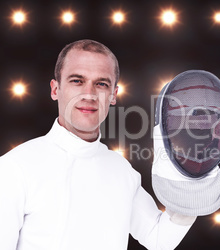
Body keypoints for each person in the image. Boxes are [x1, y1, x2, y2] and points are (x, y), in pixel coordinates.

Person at [0, 40, 202, 250]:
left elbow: (159, 239)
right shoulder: (13, 169)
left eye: (101, 84)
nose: (89, 94)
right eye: (77, 81)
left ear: (113, 95)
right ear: (55, 89)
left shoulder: (121, 170)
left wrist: (197, 177)